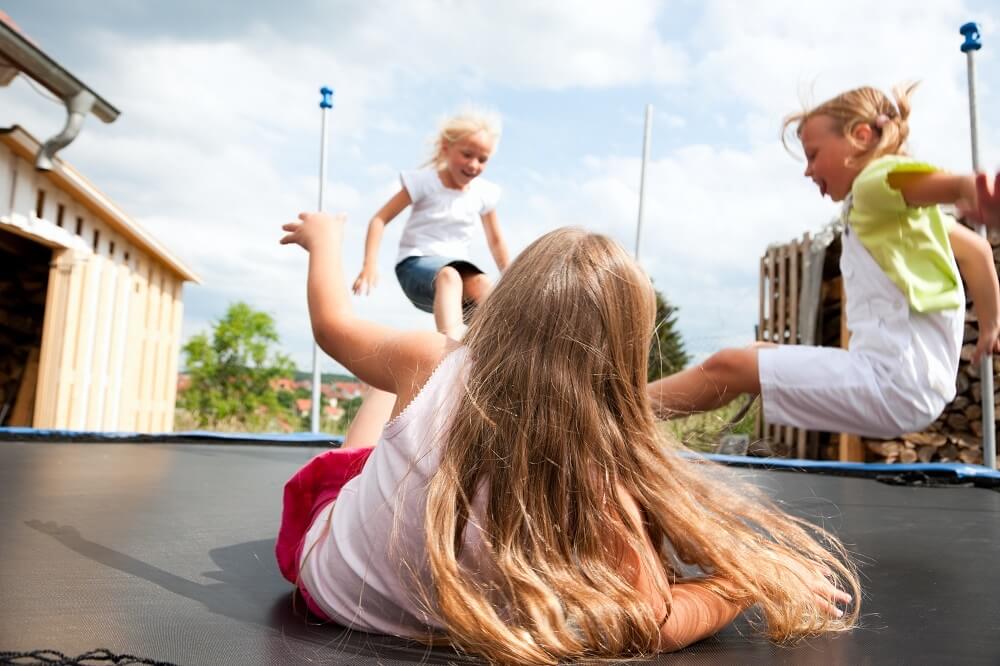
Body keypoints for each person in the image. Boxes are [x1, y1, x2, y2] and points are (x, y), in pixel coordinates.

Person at [277, 213, 858, 663]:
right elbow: (655, 622)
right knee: (377, 434)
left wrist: (325, 240)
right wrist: (742, 581)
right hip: (420, 610)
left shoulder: (426, 363)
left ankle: (455, 332)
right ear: (626, 355)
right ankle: (452, 331)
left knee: (388, 414)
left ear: (505, 310)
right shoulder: (604, 479)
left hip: (330, 583)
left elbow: (332, 325)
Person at [649, 84, 1000, 439]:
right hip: (912, 385)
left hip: (892, 384)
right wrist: (990, 328)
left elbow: (917, 182)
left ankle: (618, 412)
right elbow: (978, 251)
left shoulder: (872, 184)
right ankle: (631, 415)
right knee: (756, 352)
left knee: (728, 365)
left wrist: (965, 187)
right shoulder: (907, 219)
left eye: (813, 154)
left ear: (860, 137)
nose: (807, 170)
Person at [351, 109, 510, 341]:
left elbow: (496, 241)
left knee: (485, 286)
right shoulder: (424, 182)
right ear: (446, 148)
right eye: (467, 155)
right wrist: (369, 264)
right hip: (415, 266)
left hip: (457, 272)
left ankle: (494, 352)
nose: (474, 165)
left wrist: (512, 277)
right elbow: (379, 219)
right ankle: (449, 356)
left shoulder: (483, 193)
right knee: (449, 276)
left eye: (482, 159)